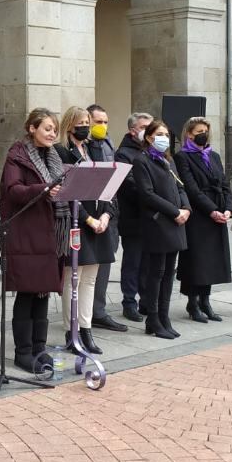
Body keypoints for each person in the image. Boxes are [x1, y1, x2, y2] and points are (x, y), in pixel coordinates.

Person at [0, 108, 68, 373]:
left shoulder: (53, 157)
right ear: (32, 128)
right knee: (27, 294)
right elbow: (13, 191)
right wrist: (46, 189)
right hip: (26, 235)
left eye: (54, 130)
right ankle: (23, 352)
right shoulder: (17, 156)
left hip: (49, 234)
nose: (52, 134)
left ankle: (40, 348)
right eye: (47, 128)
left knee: (43, 294)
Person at [55, 106, 117, 355]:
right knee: (73, 279)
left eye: (88, 123)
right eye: (81, 122)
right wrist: (88, 219)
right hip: (77, 222)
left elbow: (106, 183)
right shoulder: (61, 152)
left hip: (97, 220)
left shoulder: (93, 148)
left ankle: (86, 329)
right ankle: (72, 332)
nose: (86, 127)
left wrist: (105, 215)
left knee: (89, 280)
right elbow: (67, 191)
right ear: (69, 125)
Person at [132, 119, 191, 340]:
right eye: (159, 134)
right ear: (149, 137)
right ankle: (153, 317)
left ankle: (164, 317)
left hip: (175, 223)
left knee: (169, 273)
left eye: (167, 134)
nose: (164, 138)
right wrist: (174, 212)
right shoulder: (142, 161)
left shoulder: (169, 160)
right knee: (156, 273)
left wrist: (185, 208)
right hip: (158, 223)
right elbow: (147, 194)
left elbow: (180, 186)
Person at [174, 117, 232, 323]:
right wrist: (212, 210)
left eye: (206, 130)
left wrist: (228, 209)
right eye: (199, 131)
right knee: (197, 260)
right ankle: (192, 301)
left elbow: (225, 184)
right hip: (199, 214)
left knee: (212, 260)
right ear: (189, 133)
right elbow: (191, 188)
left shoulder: (214, 156)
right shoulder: (182, 157)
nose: (203, 134)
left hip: (217, 212)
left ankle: (205, 300)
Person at [85, 104, 127, 334]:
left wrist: (110, 212)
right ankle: (85, 314)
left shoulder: (108, 143)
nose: (102, 126)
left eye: (105, 122)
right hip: (89, 214)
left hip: (109, 212)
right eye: (97, 122)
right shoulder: (81, 147)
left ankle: (99, 311)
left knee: (105, 264)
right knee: (88, 269)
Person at [114, 112, 154, 322]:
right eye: (145, 127)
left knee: (148, 262)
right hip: (132, 216)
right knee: (133, 261)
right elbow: (129, 183)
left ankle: (146, 301)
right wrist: (153, 193)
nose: (150, 131)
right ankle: (129, 302)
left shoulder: (152, 151)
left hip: (152, 217)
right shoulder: (123, 153)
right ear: (133, 131)